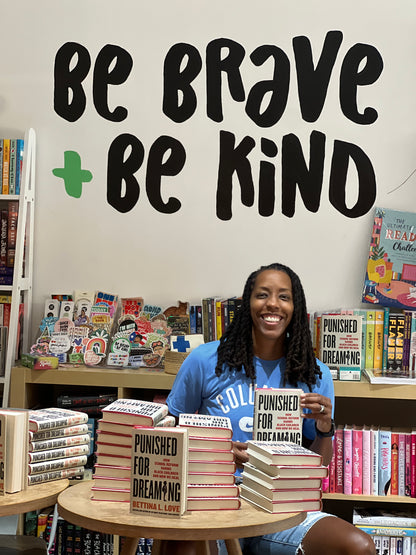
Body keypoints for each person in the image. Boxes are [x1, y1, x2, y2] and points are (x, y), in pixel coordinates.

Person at [165, 262, 376, 555]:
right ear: (248, 303)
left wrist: (325, 427)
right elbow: (168, 437)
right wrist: (218, 455)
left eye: (284, 297)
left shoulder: (314, 373)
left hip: (282, 505)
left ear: (295, 307)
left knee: (359, 547)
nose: (273, 304)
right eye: (262, 295)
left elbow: (320, 466)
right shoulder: (204, 360)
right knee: (185, 550)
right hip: (215, 499)